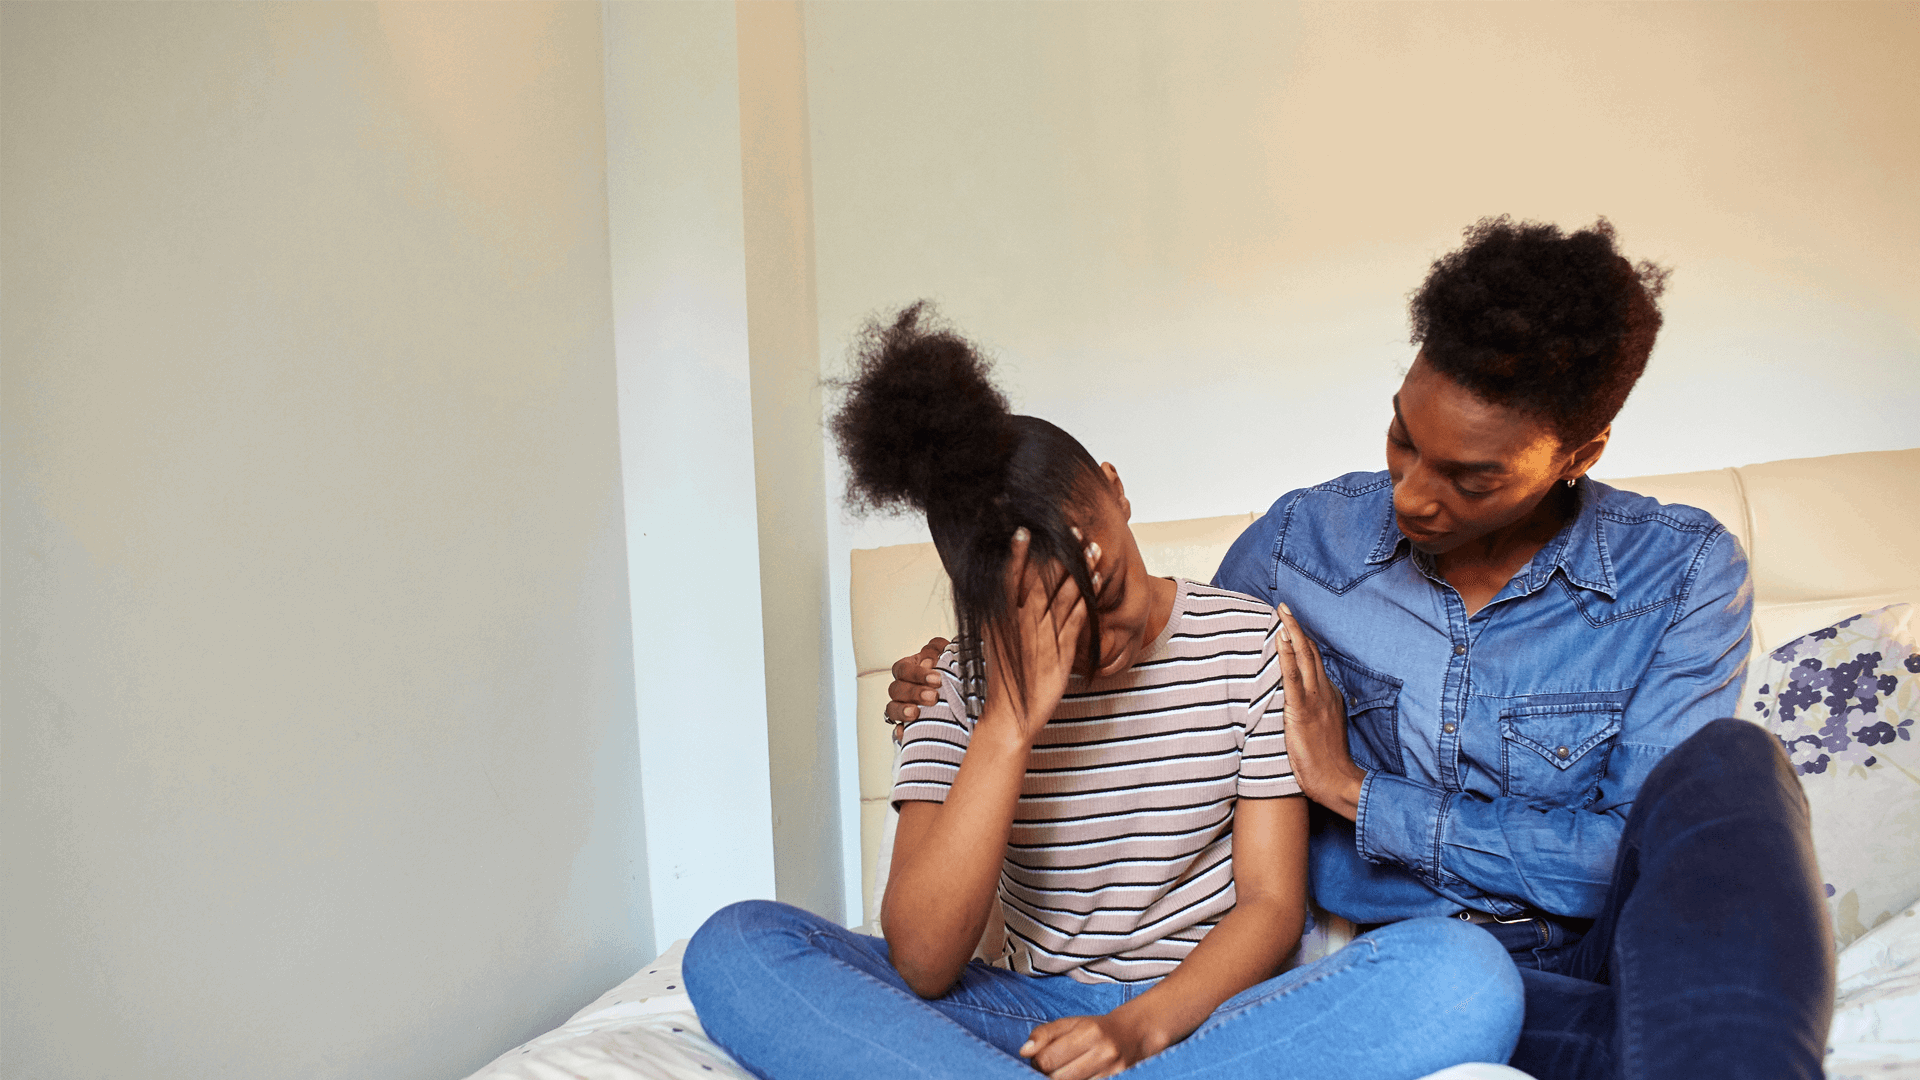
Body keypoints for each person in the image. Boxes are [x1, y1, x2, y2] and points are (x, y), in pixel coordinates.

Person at [884, 219, 1835, 1079]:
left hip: (1610, 946)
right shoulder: (1301, 547)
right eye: (1401, 439)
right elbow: (1163, 656)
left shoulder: (1681, 571)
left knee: (1737, 764)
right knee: (1483, 994)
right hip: (1391, 967)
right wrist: (979, 650)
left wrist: (1359, 795)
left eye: (1471, 476)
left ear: (1580, 453)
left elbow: (1628, 858)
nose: (1416, 495)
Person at [685, 304, 1524, 1080]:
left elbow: (1270, 908)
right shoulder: (962, 682)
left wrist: (1135, 1031)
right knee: (734, 947)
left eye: (1108, 598)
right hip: (1024, 1014)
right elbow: (924, 961)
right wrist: (1011, 718)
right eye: (1057, 636)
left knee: (1466, 976)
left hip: (1204, 1017)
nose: (1101, 649)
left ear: (1118, 493)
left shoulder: (1249, 642)